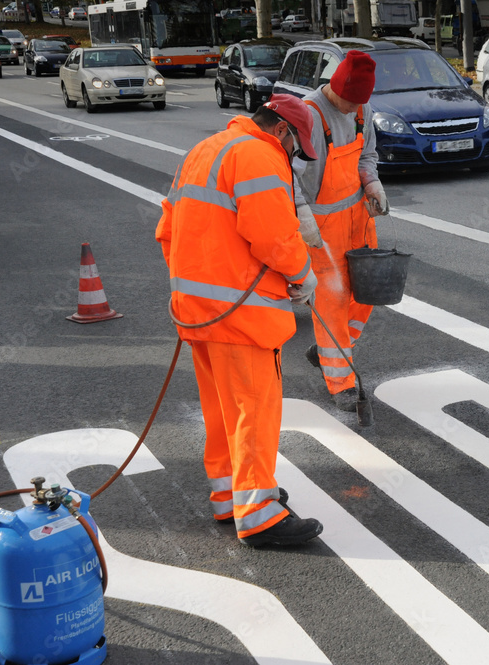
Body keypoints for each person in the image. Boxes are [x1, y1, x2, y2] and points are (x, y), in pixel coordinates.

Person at [155, 94, 326, 548]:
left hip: (197, 311)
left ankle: (231, 496)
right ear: (283, 131)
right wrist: (303, 276)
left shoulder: (204, 151)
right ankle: (260, 515)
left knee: (221, 410)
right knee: (254, 408)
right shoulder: (259, 155)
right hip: (243, 313)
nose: (293, 158)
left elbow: (166, 231)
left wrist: (196, 287)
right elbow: (272, 234)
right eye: (296, 149)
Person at [294, 50, 388, 412]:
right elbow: (289, 175)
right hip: (323, 227)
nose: (353, 110)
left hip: (357, 219)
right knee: (332, 300)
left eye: (359, 104)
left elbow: (367, 155)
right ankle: (341, 382)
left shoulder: (362, 109)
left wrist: (372, 184)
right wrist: (302, 217)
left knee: (368, 293)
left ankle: (328, 349)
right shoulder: (311, 115)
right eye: (349, 102)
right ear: (335, 89)